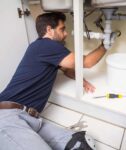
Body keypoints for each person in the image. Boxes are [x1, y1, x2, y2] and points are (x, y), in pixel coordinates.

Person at [0, 12, 106, 150]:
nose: (66, 33)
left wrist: (82, 81)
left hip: (32, 119)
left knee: (82, 144)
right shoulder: (45, 45)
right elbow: (86, 62)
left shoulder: (44, 49)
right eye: (62, 29)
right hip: (7, 116)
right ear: (49, 30)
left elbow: (67, 69)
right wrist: (106, 45)